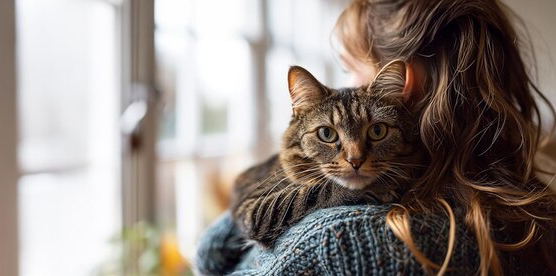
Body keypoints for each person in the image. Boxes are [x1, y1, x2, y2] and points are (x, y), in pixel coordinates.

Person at [195, 0, 556, 274]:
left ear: (402, 87)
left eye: (350, 70)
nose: (354, 154)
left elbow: (210, 257)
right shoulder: (534, 217)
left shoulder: (341, 239)